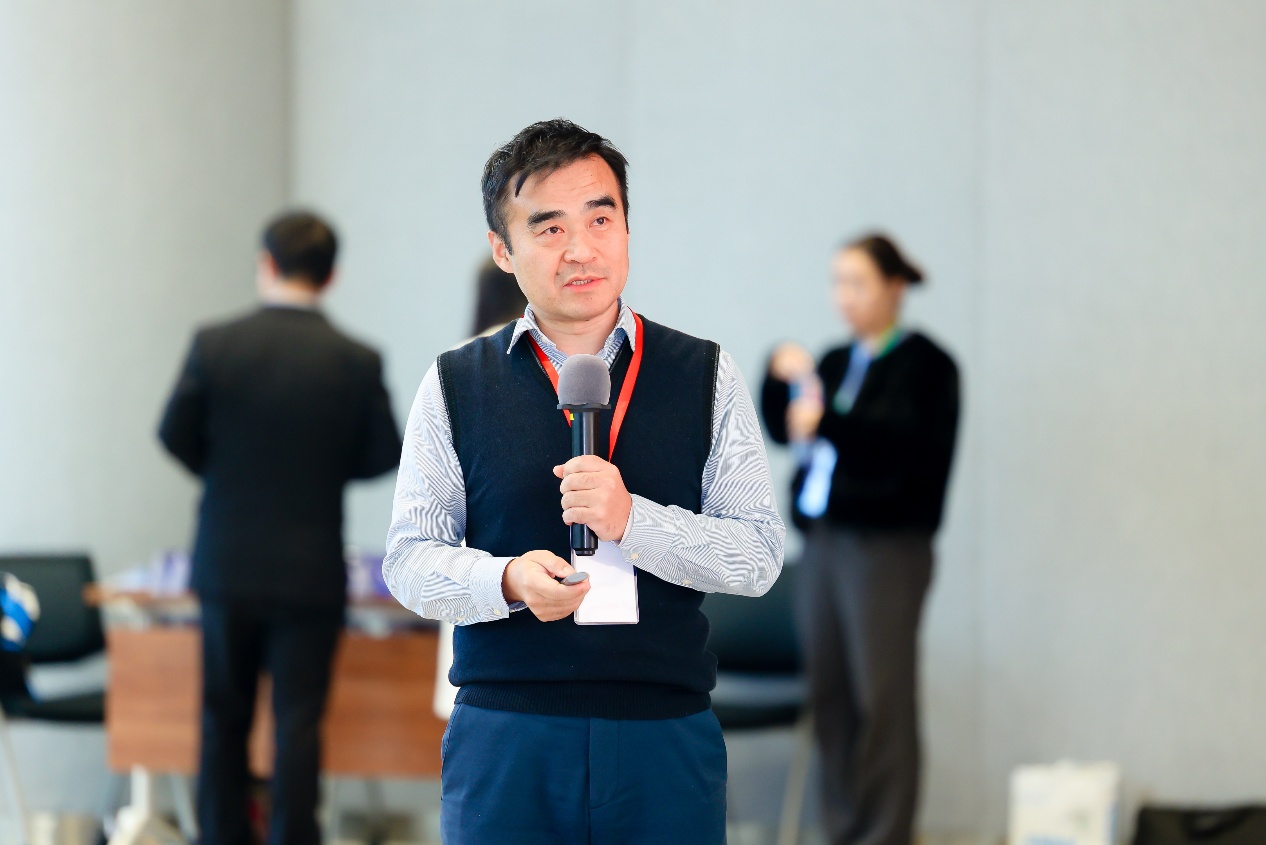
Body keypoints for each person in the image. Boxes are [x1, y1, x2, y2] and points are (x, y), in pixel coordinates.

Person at [385, 119, 785, 845]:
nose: (581, 248)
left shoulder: (703, 374)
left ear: (627, 228)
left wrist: (633, 519)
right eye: (550, 228)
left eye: (601, 218)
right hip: (508, 734)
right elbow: (408, 561)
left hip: (663, 731)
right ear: (502, 250)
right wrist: (506, 580)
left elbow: (757, 556)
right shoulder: (455, 382)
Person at [158, 211, 402, 845]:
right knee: (298, 722)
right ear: (331, 276)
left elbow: (173, 434)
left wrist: (226, 471)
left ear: (266, 264)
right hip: (309, 569)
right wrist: (321, 470)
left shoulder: (216, 344)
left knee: (222, 717)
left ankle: (221, 836)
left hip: (227, 561)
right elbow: (383, 453)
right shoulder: (356, 359)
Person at [761, 233, 960, 845]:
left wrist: (830, 422)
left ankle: (885, 833)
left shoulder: (927, 366)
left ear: (895, 287)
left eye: (858, 283)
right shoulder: (835, 361)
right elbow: (784, 428)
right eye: (837, 283)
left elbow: (904, 451)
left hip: (886, 548)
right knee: (833, 695)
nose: (843, 297)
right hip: (823, 545)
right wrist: (778, 374)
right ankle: (843, 830)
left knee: (882, 698)